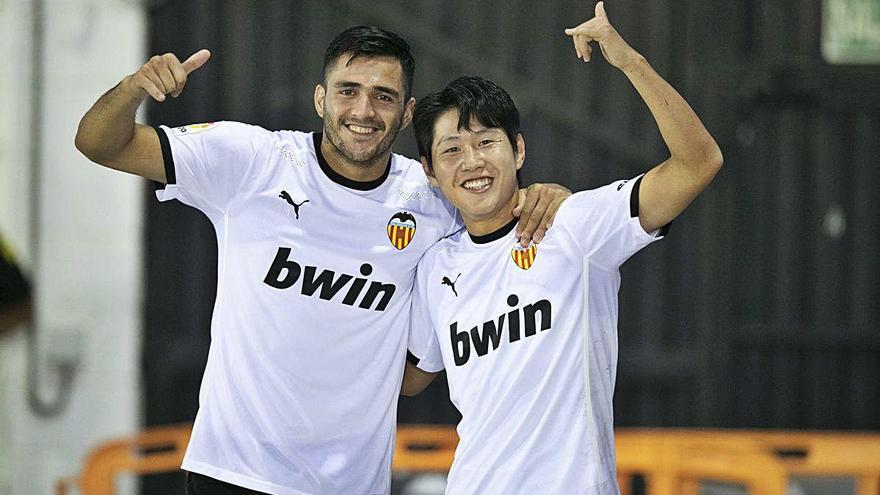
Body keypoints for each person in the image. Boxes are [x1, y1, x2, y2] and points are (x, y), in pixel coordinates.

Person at [74, 25, 569, 495]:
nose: (364, 110)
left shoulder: (433, 199)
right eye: (347, 90)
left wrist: (551, 196)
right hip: (233, 473)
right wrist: (133, 88)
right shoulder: (252, 161)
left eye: (384, 96)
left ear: (406, 112)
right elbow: (98, 143)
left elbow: (501, 215)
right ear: (320, 98)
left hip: (351, 484)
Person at [403, 3, 723, 493]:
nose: (472, 161)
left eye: (486, 142)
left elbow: (697, 164)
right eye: (451, 150)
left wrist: (629, 62)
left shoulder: (573, 225)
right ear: (429, 171)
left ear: (519, 150)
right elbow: (410, 376)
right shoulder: (433, 267)